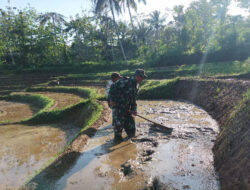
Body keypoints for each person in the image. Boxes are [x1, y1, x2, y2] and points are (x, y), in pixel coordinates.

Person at [108, 69, 147, 141]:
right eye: (142, 77)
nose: (142, 79)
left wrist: (134, 110)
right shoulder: (124, 81)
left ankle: (131, 144)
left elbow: (133, 100)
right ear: (137, 76)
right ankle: (117, 146)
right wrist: (112, 100)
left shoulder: (136, 86)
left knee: (132, 130)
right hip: (118, 109)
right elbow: (112, 89)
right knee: (118, 132)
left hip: (127, 110)